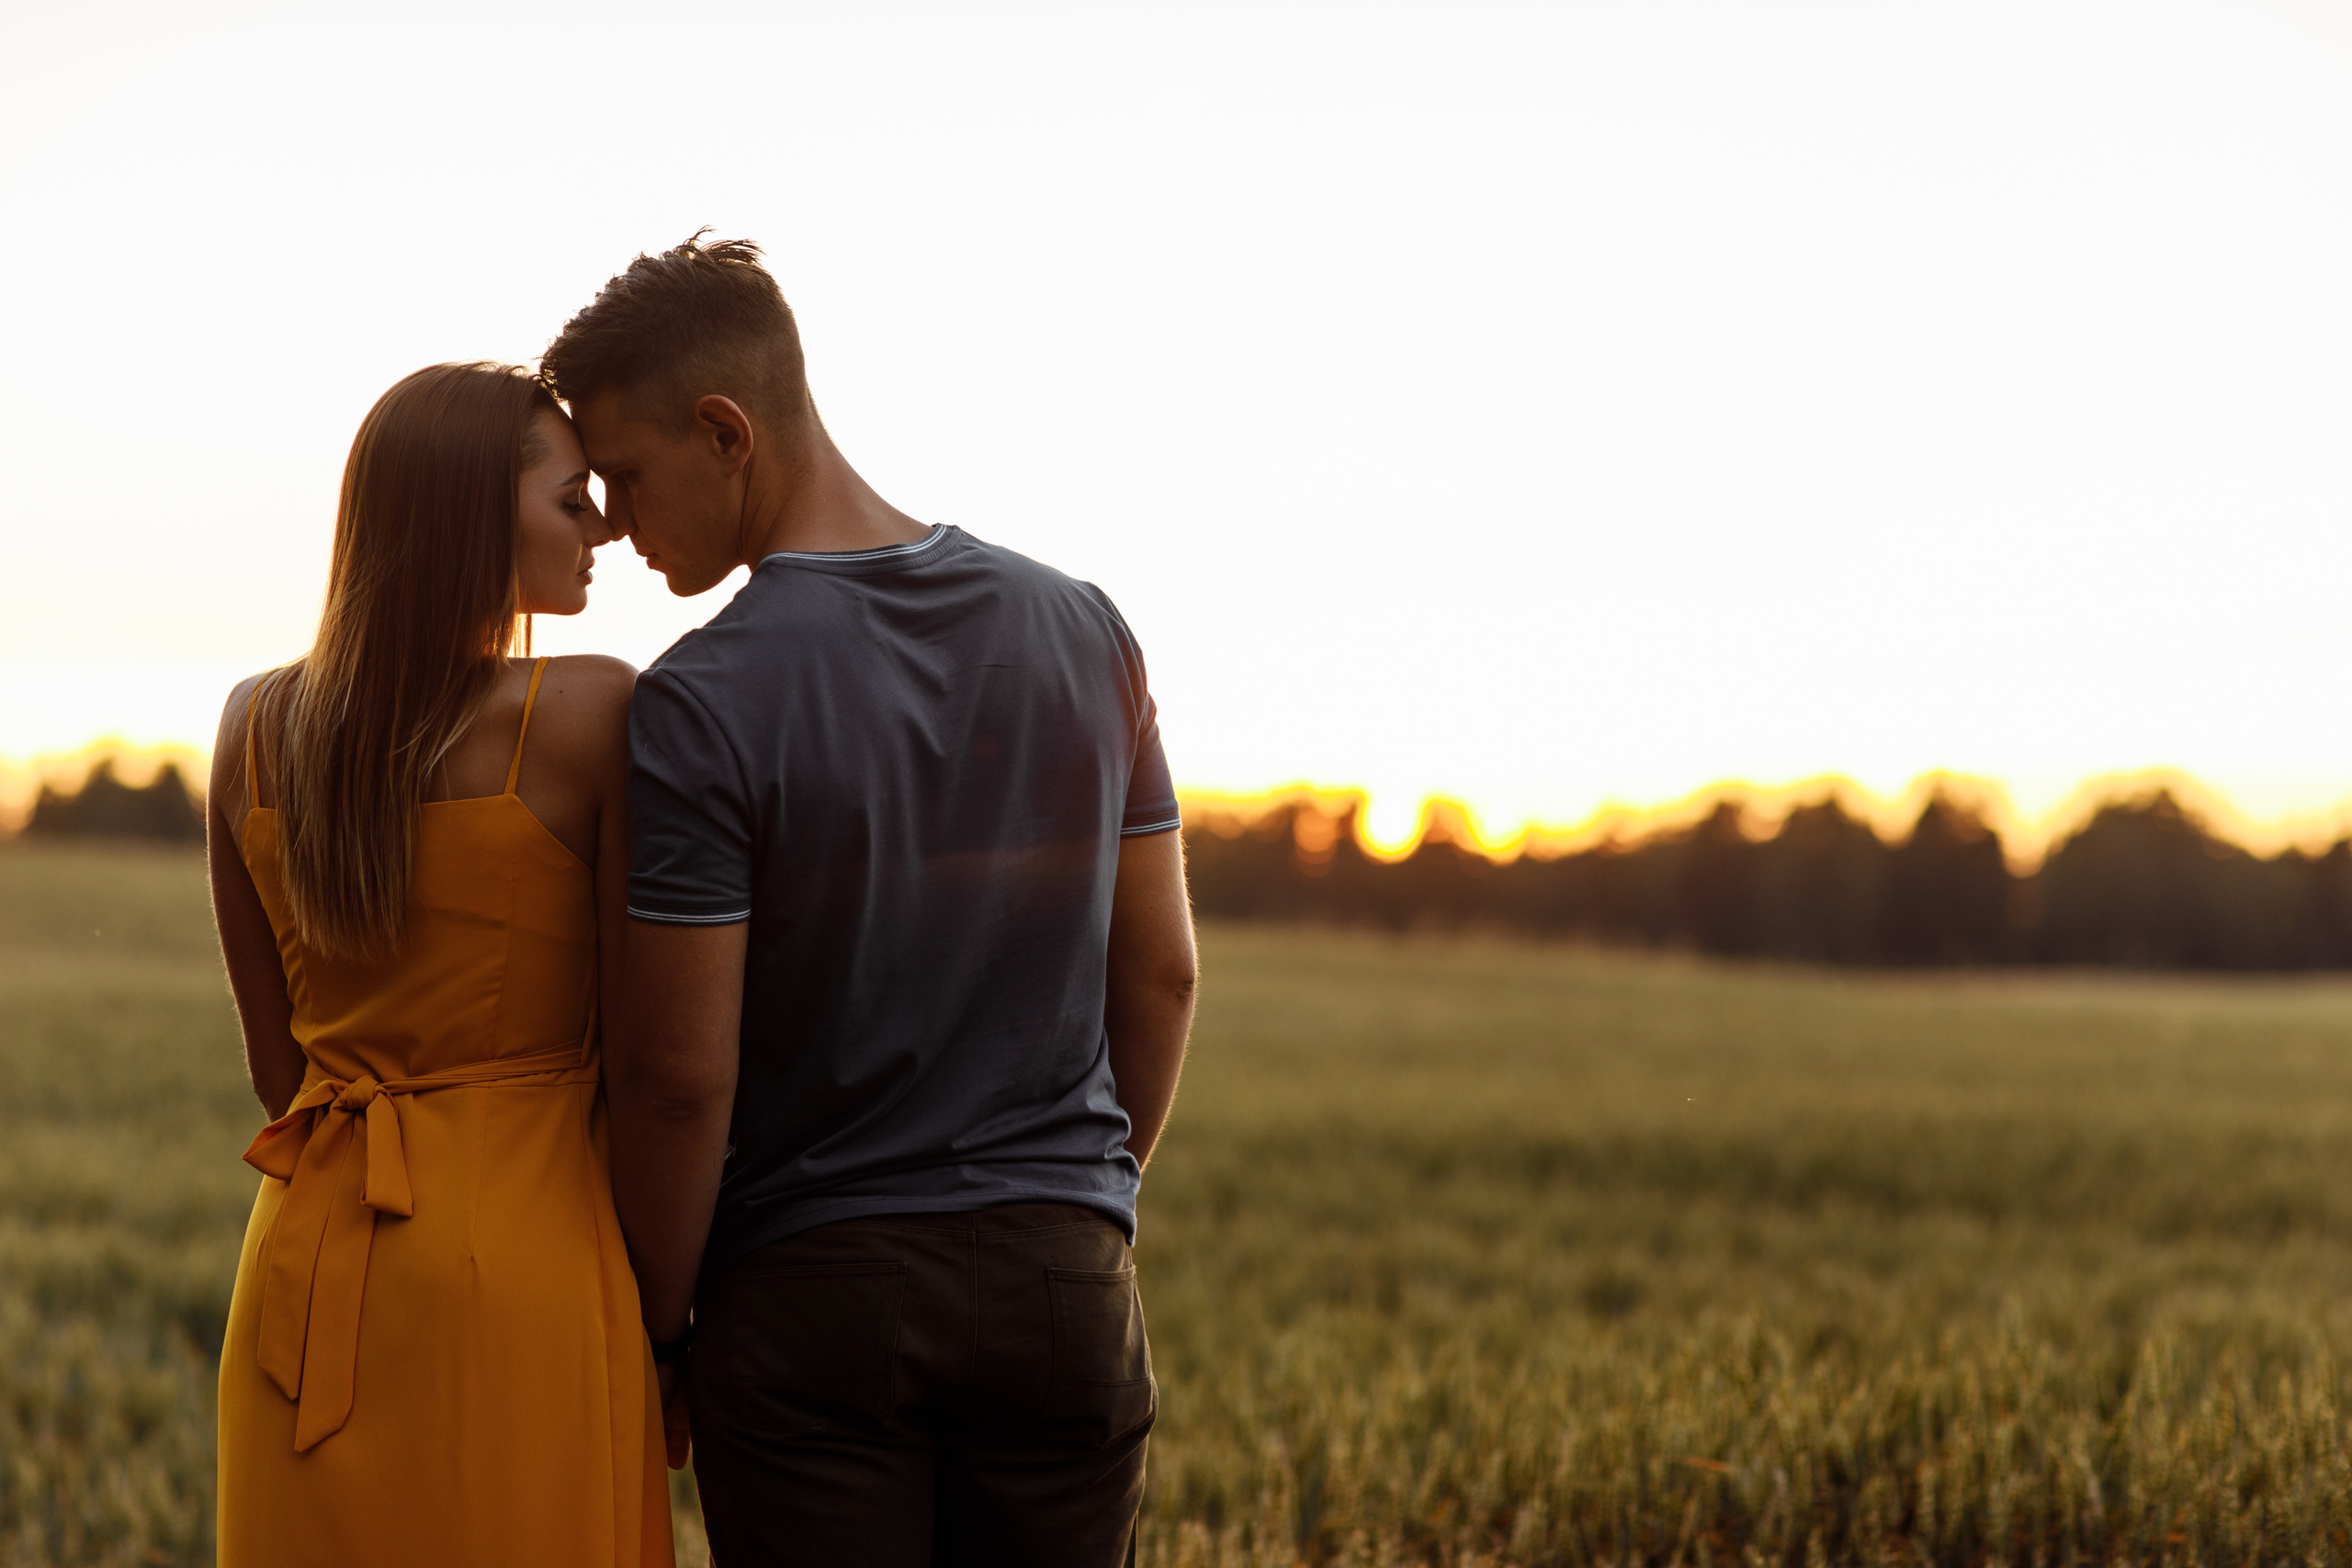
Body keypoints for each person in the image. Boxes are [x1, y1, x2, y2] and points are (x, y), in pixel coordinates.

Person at [543, 235, 1201, 1565]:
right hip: (1066, 1288)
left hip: (811, 1314)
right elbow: (1165, 976)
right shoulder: (1087, 629)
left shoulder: (699, 700)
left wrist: (660, 1332)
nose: (610, 519)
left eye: (623, 474)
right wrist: (1077, 1204)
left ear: (725, 431)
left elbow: (677, 1079)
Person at [206, 362, 672, 1566]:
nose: (604, 526)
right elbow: (650, 1063)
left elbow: (280, 1080)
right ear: (476, 514)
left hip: (306, 1288)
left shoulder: (253, 729)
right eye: (573, 499)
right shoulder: (595, 713)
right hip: (525, 1279)